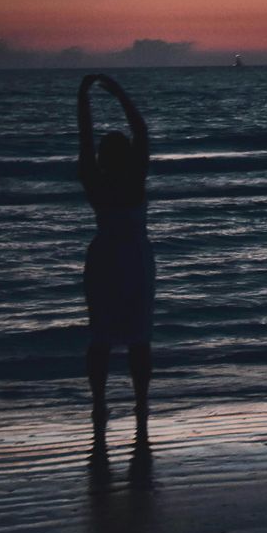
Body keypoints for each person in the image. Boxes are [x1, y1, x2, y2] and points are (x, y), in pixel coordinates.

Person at [77, 73, 154, 437]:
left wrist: (84, 100)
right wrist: (121, 94)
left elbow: (84, 140)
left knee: (101, 336)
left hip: (105, 258)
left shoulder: (95, 179)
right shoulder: (134, 177)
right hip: (135, 258)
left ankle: (99, 402)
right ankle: (140, 402)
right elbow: (142, 133)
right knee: (139, 335)